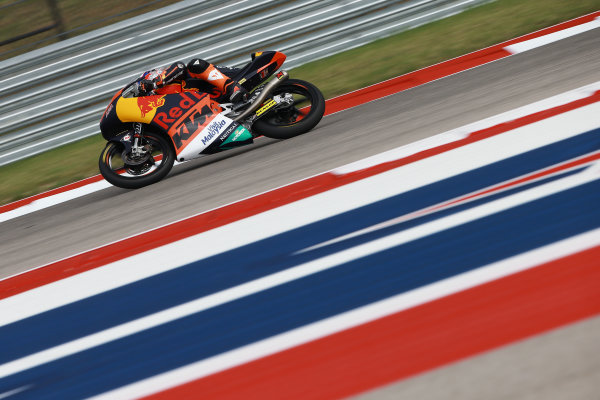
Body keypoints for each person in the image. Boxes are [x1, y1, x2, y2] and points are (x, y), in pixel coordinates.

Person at [137, 58, 248, 104]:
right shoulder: (162, 104)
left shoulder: (163, 81)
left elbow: (179, 66)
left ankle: (233, 87)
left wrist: (156, 82)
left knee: (194, 64)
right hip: (219, 103)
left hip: (231, 79)